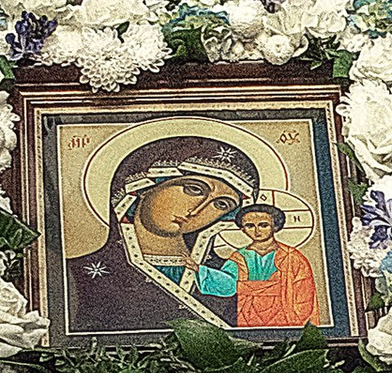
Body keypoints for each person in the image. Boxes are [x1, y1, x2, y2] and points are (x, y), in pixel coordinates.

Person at [64, 131, 255, 332]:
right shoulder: (80, 274)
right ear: (146, 186)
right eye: (194, 189)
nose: (197, 210)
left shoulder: (229, 276)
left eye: (221, 204)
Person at [191, 197, 324, 331]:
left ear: (275, 227)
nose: (257, 231)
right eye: (250, 226)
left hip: (285, 315)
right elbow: (229, 284)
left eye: (263, 225)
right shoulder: (239, 257)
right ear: (242, 229)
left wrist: (299, 323)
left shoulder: (293, 258)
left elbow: (304, 295)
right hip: (249, 313)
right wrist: (199, 270)